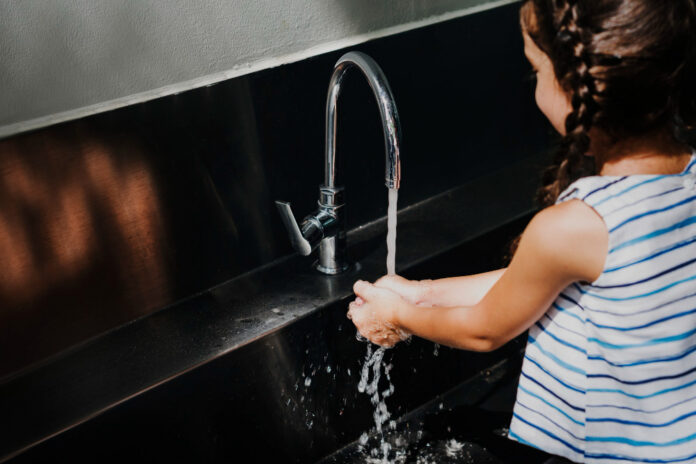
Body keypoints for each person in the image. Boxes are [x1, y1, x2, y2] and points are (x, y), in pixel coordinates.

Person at [347, 0, 696, 462]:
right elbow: (531, 284)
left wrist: (398, 316)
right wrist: (421, 293)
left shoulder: (576, 225)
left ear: (577, 85)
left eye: (536, 70)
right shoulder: (686, 177)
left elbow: (483, 331)